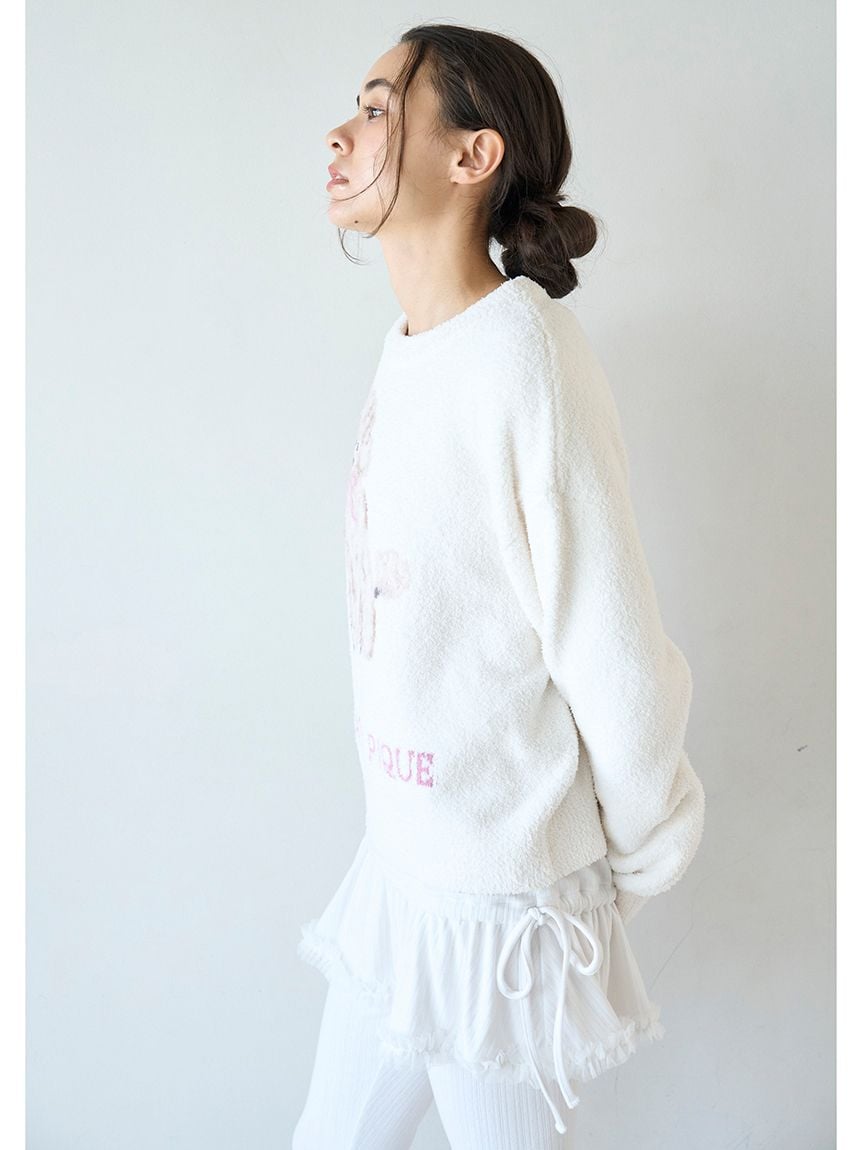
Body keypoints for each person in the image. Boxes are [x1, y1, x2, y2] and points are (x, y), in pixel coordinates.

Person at [294, 21, 706, 1150]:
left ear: (472, 155)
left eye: (379, 107)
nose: (340, 134)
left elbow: (611, 640)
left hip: (501, 904)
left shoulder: (525, 354)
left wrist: (640, 848)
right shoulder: (414, 345)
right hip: (405, 868)